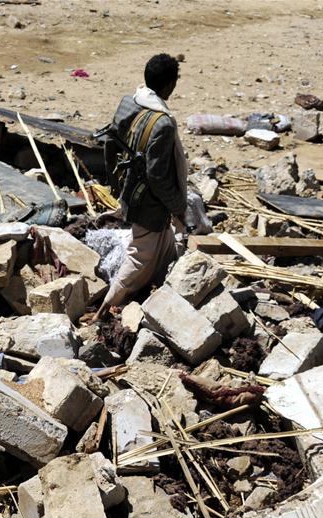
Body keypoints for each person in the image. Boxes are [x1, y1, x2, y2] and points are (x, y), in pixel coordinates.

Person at [90, 53, 211, 322]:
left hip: (128, 188)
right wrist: (178, 207)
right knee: (139, 259)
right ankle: (103, 309)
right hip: (148, 202)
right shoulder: (163, 124)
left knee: (165, 244)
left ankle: (161, 287)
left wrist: (114, 182)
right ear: (169, 85)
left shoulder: (129, 102)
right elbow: (157, 175)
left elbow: (112, 142)